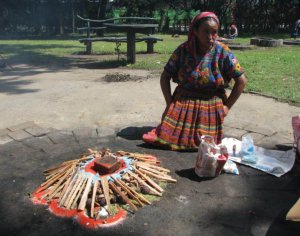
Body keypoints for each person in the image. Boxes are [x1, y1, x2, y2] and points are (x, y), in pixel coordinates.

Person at [142, 12, 247, 151]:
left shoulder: (223, 51)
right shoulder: (183, 50)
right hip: (184, 98)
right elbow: (165, 76)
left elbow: (241, 81)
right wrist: (169, 104)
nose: (210, 37)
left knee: (204, 142)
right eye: (206, 32)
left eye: (214, 32)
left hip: (211, 100)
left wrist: (227, 107)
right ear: (195, 31)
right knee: (166, 136)